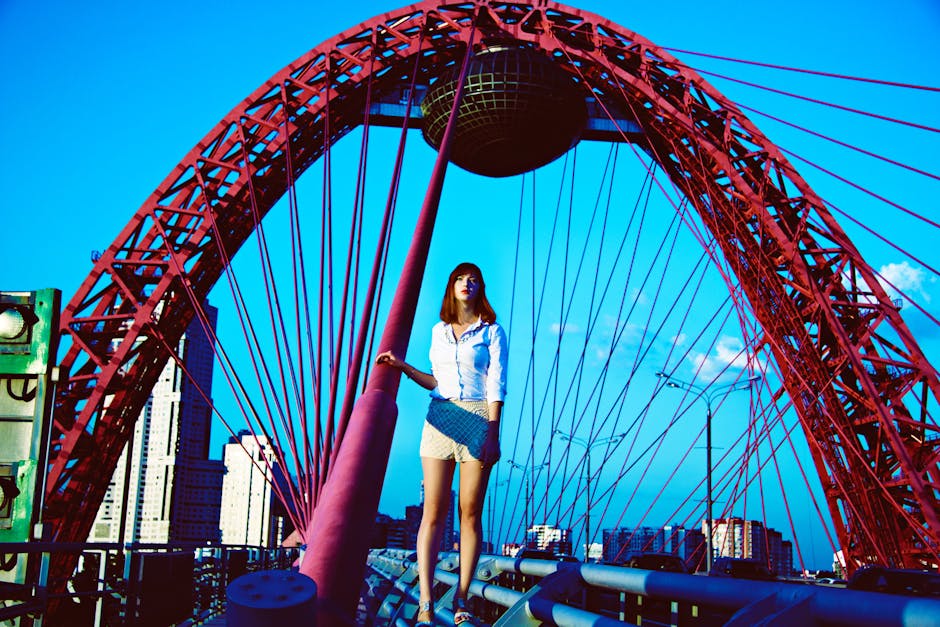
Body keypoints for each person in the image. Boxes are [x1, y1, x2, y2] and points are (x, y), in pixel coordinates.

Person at [376, 262, 508, 626]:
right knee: (432, 512)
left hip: (479, 417)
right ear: (451, 287)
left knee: (469, 512)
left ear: (481, 288)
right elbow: (437, 381)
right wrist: (403, 367)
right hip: (439, 416)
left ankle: (462, 599)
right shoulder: (438, 331)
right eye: (460, 279)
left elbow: (496, 384)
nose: (467, 283)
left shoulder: (492, 332)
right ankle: (427, 603)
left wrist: (493, 432)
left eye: (474, 279)